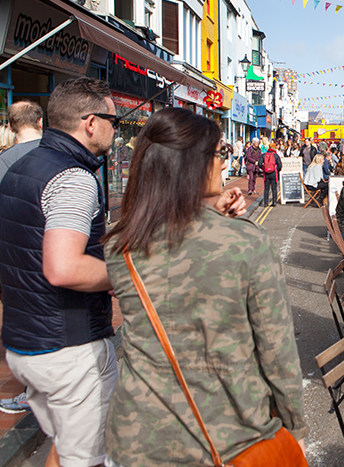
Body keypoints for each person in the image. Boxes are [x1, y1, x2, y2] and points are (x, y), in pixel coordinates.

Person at [101, 108, 306, 466]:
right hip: (228, 435)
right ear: (193, 163)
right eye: (219, 153)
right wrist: (295, 426)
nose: (224, 163)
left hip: (136, 437)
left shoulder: (121, 245)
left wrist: (212, 212)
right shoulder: (246, 242)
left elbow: (175, 261)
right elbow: (277, 349)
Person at [0, 78, 119, 467]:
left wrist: (36, 254)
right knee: (88, 459)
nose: (116, 129)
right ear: (91, 123)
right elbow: (64, 267)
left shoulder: (20, 166)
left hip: (24, 347)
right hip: (69, 349)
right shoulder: (74, 178)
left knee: (63, 446)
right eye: (113, 121)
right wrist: (124, 274)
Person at [0, 101, 43, 412]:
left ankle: (34, 392)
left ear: (12, 126)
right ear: (41, 122)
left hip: (17, 256)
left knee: (26, 325)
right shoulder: (57, 152)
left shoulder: (6, 158)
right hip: (53, 252)